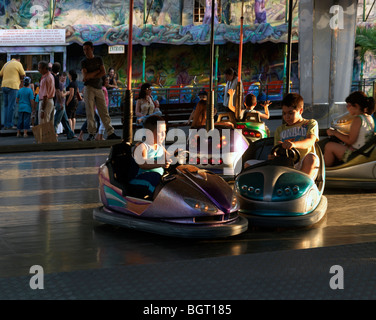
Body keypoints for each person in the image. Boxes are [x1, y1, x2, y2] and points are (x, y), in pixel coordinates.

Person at [81, 41, 120, 140]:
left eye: (87, 49)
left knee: (104, 111)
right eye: (84, 49)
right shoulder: (83, 62)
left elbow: (102, 72)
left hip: (98, 88)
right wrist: (97, 72)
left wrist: (91, 75)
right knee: (90, 112)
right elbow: (85, 76)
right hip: (89, 88)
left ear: (92, 49)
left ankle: (110, 132)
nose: (86, 51)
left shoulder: (98, 59)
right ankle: (92, 132)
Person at [324, 91, 375, 166]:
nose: (347, 108)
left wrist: (334, 132)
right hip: (364, 152)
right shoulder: (369, 117)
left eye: (348, 105)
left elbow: (350, 140)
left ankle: (326, 172)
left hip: (356, 155)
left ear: (356, 106)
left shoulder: (358, 119)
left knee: (329, 146)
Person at [131, 115, 171, 197]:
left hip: (157, 177)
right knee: (157, 180)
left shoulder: (160, 147)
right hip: (141, 179)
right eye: (161, 132)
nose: (164, 135)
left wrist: (177, 154)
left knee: (171, 178)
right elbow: (143, 164)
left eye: (165, 132)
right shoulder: (142, 147)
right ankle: (157, 205)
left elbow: (169, 157)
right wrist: (160, 163)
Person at [0, 54, 26, 129]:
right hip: (13, 86)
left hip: (4, 86)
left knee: (6, 106)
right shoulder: (18, 63)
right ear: (19, 59)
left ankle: (5, 124)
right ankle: (9, 125)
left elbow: (0, 74)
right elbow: (23, 74)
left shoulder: (6, 64)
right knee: (11, 106)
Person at [95, 75, 110, 141]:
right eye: (106, 80)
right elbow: (102, 100)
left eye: (108, 80)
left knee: (102, 122)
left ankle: (98, 136)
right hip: (101, 108)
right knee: (103, 122)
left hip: (99, 108)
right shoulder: (103, 89)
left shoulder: (102, 88)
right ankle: (100, 137)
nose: (108, 81)